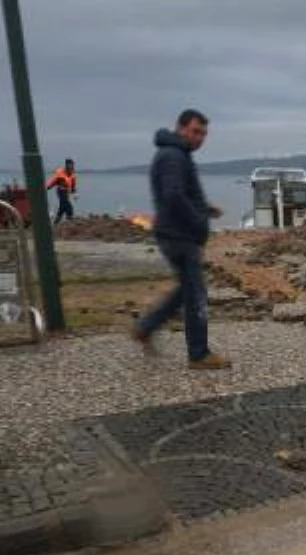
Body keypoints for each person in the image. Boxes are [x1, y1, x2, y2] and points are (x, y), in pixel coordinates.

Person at [133, 109, 229, 369]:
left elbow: (177, 194)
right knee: (196, 294)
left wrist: (205, 208)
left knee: (186, 289)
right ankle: (198, 354)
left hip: (175, 233)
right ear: (181, 127)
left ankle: (146, 326)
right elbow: (173, 196)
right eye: (196, 131)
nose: (200, 138)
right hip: (180, 236)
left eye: (204, 134)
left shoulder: (176, 154)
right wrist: (198, 221)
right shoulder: (174, 155)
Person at [46, 159, 77, 223]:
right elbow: (54, 181)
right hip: (60, 191)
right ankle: (70, 219)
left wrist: (74, 193)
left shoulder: (72, 174)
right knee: (68, 206)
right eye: (68, 164)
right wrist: (48, 186)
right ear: (66, 165)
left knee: (62, 207)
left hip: (66, 192)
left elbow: (73, 184)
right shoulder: (60, 172)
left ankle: (56, 222)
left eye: (71, 165)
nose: (70, 166)